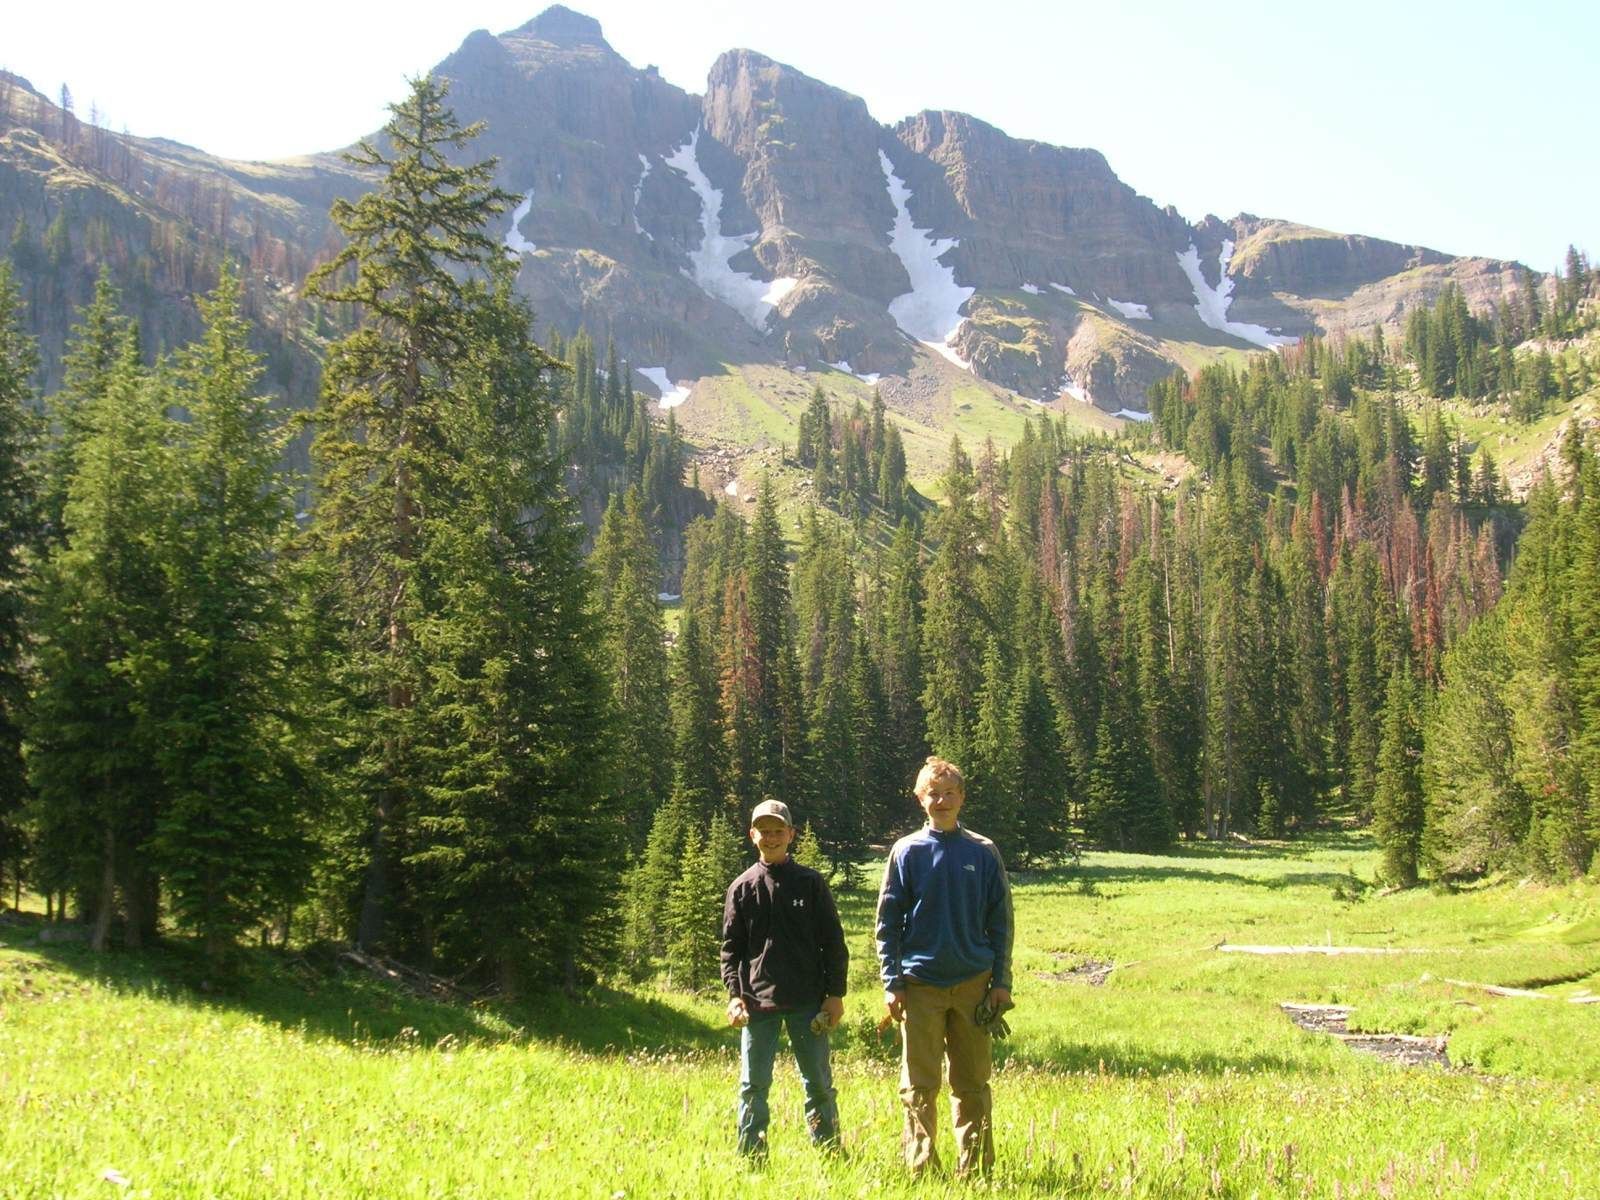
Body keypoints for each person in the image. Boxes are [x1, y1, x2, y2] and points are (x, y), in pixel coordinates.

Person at [875, 756, 1014, 1177]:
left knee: (972, 1083)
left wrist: (1001, 982)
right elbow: (887, 921)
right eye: (933, 793)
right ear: (921, 799)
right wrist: (891, 981)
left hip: (974, 984)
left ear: (962, 797)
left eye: (949, 792)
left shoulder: (983, 851)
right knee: (919, 1085)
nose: (942, 800)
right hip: (919, 987)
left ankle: (975, 1170)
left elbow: (1001, 920)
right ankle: (922, 1169)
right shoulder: (906, 851)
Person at [720, 798, 848, 1158]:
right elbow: (731, 950)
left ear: (791, 835)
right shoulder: (742, 888)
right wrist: (734, 995)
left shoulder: (810, 883)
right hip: (757, 1005)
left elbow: (833, 943)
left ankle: (830, 1156)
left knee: (819, 1085)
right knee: (752, 1086)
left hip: (808, 1003)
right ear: (752, 835)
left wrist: (835, 994)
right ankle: (751, 1158)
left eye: (778, 831)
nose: (771, 838)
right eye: (764, 831)